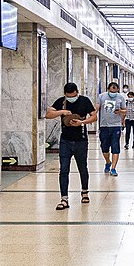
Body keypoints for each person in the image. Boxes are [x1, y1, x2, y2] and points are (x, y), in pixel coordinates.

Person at [45, 82, 97, 210]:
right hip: (65, 141)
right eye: (68, 96)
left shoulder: (84, 101)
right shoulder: (61, 102)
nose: (71, 98)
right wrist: (62, 111)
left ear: (77, 92)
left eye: (73, 95)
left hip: (81, 141)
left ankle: (85, 192)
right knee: (63, 170)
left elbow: (94, 116)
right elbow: (48, 114)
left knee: (82, 168)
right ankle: (64, 199)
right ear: (65, 94)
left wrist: (82, 122)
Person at [96, 81, 127, 176]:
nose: (113, 93)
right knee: (104, 148)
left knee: (115, 147)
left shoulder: (121, 97)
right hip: (104, 125)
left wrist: (120, 112)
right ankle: (108, 162)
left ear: (117, 90)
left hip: (116, 126)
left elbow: (125, 111)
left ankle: (113, 168)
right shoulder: (101, 96)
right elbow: (97, 107)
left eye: (115, 91)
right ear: (108, 89)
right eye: (112, 90)